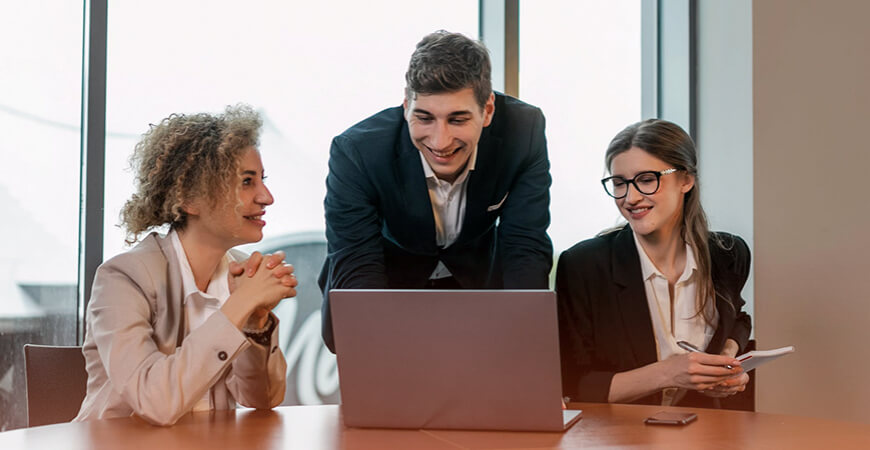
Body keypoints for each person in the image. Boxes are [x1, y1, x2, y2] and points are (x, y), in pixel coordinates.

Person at [318, 31, 553, 352]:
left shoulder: (523, 132)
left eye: (457, 119)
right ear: (406, 105)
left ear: (487, 110)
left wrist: (525, 342)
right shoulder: (357, 152)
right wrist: (371, 348)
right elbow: (357, 262)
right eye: (424, 118)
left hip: (478, 283)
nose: (440, 142)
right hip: (389, 282)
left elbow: (524, 246)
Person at [75, 105, 297, 426]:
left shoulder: (240, 272)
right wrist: (242, 303)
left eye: (261, 180)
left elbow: (262, 399)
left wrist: (257, 322)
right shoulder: (122, 279)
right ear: (189, 198)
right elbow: (156, 402)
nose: (266, 197)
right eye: (247, 182)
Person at [556, 119, 752, 408]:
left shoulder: (728, 254)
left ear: (686, 180)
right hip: (618, 438)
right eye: (619, 183)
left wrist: (725, 361)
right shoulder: (583, 266)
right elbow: (576, 384)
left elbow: (738, 318)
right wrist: (670, 372)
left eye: (647, 180)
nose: (630, 198)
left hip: (703, 433)